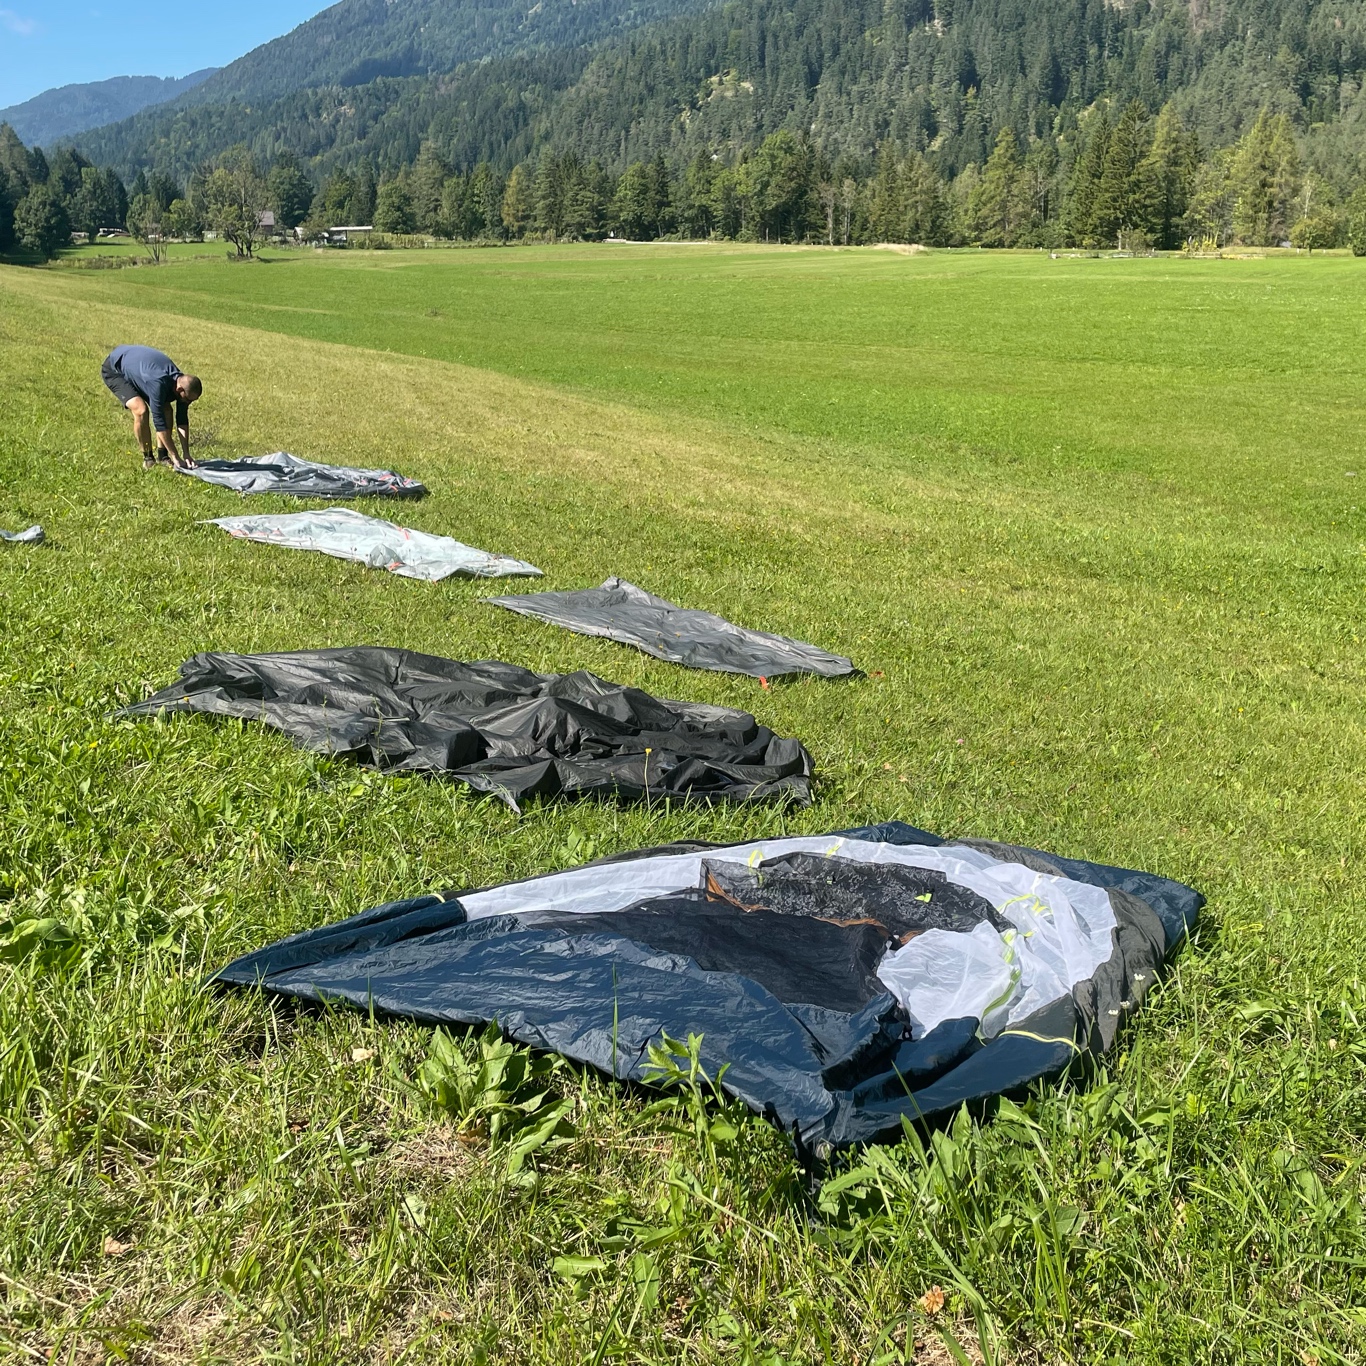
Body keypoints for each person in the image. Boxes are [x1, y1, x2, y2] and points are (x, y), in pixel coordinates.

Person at [101, 345, 201, 470]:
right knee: (141, 410)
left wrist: (186, 454)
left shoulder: (183, 385)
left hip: (139, 369)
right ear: (179, 389)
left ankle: (163, 456)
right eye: (187, 399)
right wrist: (176, 456)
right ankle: (148, 458)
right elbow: (159, 423)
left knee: (167, 410)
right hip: (115, 369)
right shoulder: (158, 384)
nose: (188, 403)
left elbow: (182, 420)